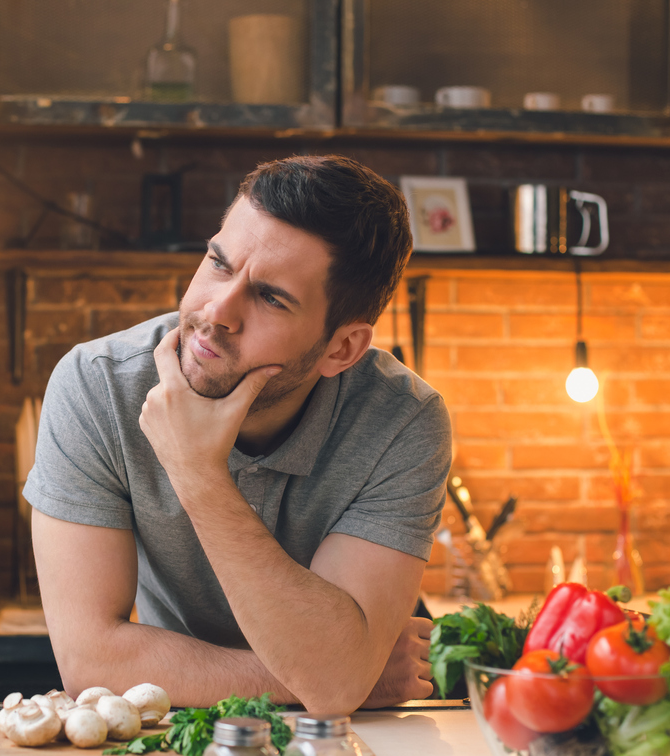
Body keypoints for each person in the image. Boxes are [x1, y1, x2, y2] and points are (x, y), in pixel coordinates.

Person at [23, 155, 452, 714]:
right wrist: (338, 677)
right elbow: (92, 664)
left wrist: (198, 473)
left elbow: (334, 684)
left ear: (341, 348)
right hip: (173, 737)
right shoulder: (97, 386)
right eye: (219, 264)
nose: (217, 310)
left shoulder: (403, 423)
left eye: (271, 297)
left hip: (354, 753)